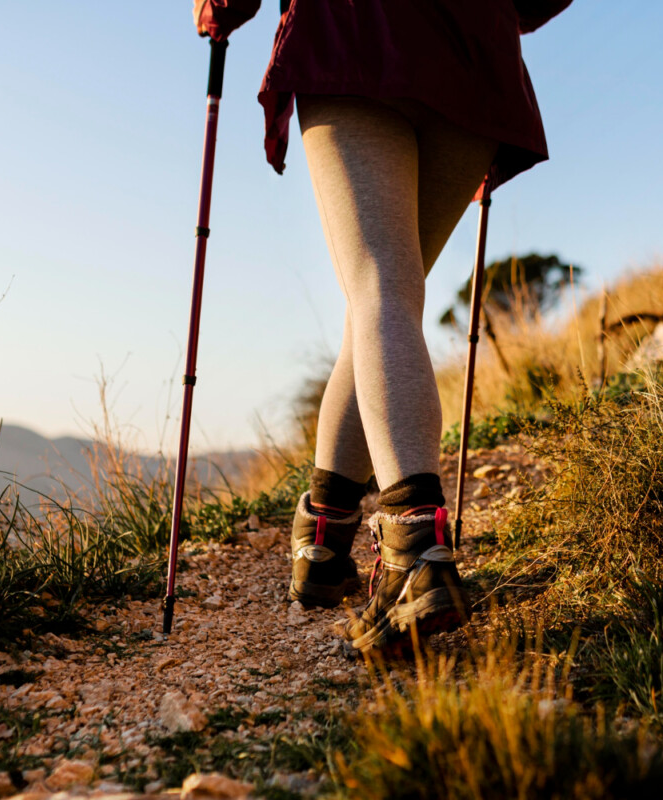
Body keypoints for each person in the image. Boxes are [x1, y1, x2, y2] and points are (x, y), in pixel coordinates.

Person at [192, 0, 571, 653]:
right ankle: (323, 541)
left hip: (355, 30)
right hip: (474, 52)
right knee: (386, 297)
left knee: (380, 290)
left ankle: (416, 554)